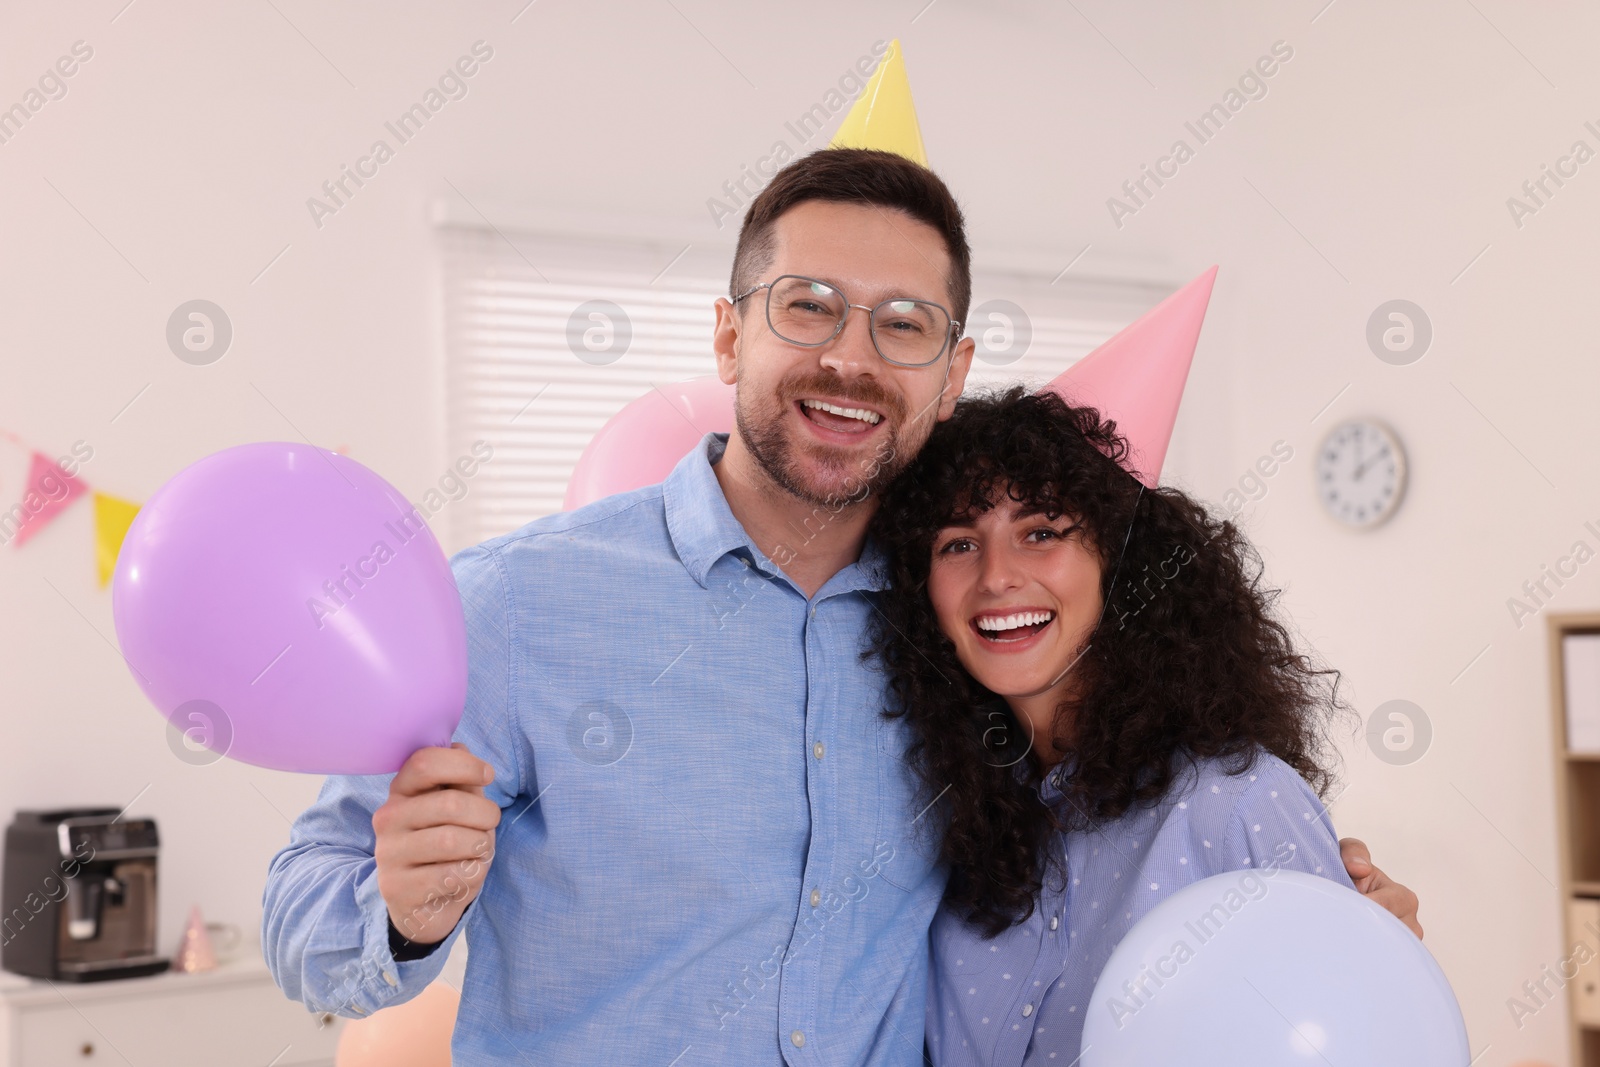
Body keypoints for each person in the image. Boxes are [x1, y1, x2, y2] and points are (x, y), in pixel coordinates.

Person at [261, 147, 1417, 1065]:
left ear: (950, 371)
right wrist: (400, 911)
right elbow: (307, 916)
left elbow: (1111, 842)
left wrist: (1335, 923)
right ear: (729, 331)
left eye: (902, 323)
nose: (851, 359)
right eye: (807, 306)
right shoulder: (514, 605)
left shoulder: (958, 639)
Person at [868, 385, 1384, 1064]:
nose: (996, 577)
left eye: (1041, 532)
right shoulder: (944, 825)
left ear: (1120, 560)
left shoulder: (1238, 805)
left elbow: (1361, 1034)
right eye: (959, 543)